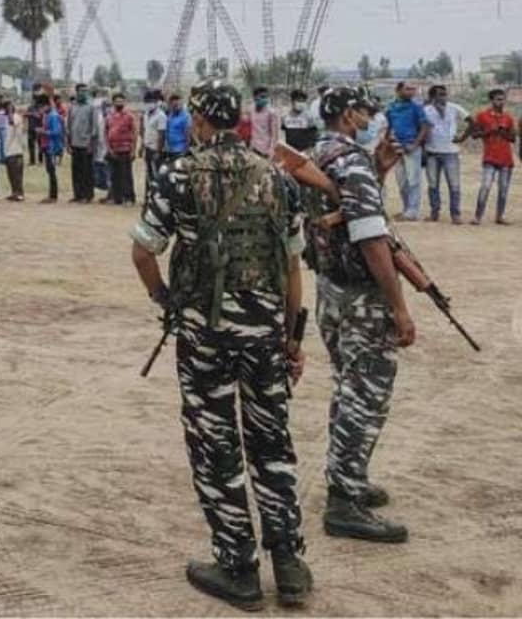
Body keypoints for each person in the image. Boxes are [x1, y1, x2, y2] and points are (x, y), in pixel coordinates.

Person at [130, 80, 311, 611]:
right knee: (272, 443)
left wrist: (168, 302)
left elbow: (143, 254)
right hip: (265, 335)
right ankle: (290, 565)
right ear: (239, 121)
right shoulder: (279, 178)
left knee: (216, 445)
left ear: (201, 121)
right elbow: (292, 266)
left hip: (204, 334)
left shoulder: (177, 175)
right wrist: (292, 338)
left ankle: (237, 566)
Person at [302, 86, 414, 545]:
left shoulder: (320, 155)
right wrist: (399, 305)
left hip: (331, 290)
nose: (372, 118)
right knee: (365, 396)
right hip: (362, 297)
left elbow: (344, 214)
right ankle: (344, 501)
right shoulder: (350, 163)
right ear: (348, 115)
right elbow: (371, 238)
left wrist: (380, 170)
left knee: (348, 388)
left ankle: (347, 477)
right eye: (366, 111)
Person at [384, 81, 431, 221]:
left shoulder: (416, 107)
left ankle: (412, 211)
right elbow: (387, 128)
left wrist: (416, 144)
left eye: (413, 89)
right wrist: (386, 145)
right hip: (396, 148)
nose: (411, 92)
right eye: (408, 89)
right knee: (401, 181)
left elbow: (425, 127)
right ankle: (406, 209)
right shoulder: (390, 108)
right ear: (398, 90)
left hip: (411, 147)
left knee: (414, 180)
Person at [421, 84, 468, 224]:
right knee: (433, 185)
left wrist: (462, 137)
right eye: (440, 94)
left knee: (454, 185)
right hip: (431, 152)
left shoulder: (454, 108)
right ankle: (434, 213)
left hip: (451, 152)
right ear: (432, 96)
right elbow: (421, 130)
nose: (443, 97)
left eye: (444, 94)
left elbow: (472, 122)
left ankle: (455, 214)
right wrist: (423, 149)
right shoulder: (425, 111)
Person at [470, 89, 516, 225]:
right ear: (491, 100)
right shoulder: (482, 116)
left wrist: (503, 132)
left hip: (506, 158)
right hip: (489, 157)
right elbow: (474, 135)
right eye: (498, 99)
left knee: (503, 189)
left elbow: (513, 138)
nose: (501, 102)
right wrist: (490, 131)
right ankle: (478, 216)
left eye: (502, 99)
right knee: (485, 186)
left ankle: (499, 216)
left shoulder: (508, 118)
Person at [102, 92, 137, 206]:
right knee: (114, 175)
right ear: (113, 103)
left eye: (121, 101)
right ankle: (117, 198)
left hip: (125, 149)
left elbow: (134, 132)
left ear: (124, 102)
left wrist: (133, 150)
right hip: (113, 150)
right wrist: (109, 148)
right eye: (117, 101)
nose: (119, 103)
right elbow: (106, 133)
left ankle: (129, 198)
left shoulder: (129, 116)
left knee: (126, 175)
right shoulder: (109, 116)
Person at [67, 84, 98, 202]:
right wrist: (68, 143)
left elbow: (94, 128)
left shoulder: (91, 107)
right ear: (76, 92)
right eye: (81, 91)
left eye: (85, 91)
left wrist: (91, 144)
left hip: (86, 144)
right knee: (76, 171)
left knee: (87, 171)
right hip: (75, 143)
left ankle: (87, 195)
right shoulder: (72, 107)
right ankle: (77, 194)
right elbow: (69, 126)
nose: (83, 93)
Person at [141, 91, 166, 202]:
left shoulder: (161, 116)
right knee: (149, 173)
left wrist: (158, 151)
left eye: (151, 101)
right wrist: (142, 146)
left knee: (156, 174)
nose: (149, 104)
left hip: (156, 148)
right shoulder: (146, 114)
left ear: (156, 102)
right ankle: (149, 196)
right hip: (147, 147)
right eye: (147, 102)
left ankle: (157, 197)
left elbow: (162, 134)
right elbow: (144, 131)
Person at [40, 95, 64, 204]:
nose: (42, 109)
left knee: (52, 171)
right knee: (49, 170)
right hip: (46, 145)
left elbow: (57, 132)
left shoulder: (53, 116)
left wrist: (44, 132)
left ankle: (53, 195)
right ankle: (51, 194)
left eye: (43, 106)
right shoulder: (47, 115)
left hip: (52, 147)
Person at [3, 101, 26, 201]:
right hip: (9, 151)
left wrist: (10, 111)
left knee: (17, 174)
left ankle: (20, 193)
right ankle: (14, 192)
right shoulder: (7, 119)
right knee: (11, 174)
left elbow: (12, 122)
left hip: (16, 150)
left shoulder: (16, 117)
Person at [249, 86, 279, 157]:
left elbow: (275, 134)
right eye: (262, 97)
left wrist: (271, 150)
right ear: (255, 98)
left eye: (265, 97)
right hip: (253, 148)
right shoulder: (251, 109)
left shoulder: (272, 112)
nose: (264, 99)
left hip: (265, 150)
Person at [162, 93, 191, 162]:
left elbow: (187, 135)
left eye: (178, 105)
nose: (176, 107)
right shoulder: (170, 116)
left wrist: (185, 151)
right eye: (174, 105)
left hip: (180, 150)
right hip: (169, 150)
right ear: (170, 105)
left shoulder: (185, 116)